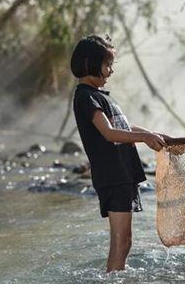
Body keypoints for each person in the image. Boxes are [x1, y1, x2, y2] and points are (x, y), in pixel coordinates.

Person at [70, 34, 167, 272]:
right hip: (113, 176)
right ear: (90, 64)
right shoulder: (86, 96)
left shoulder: (99, 96)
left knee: (125, 242)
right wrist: (144, 138)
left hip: (121, 174)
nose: (110, 71)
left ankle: (116, 276)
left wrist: (152, 134)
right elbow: (109, 133)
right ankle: (113, 276)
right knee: (121, 242)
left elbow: (123, 128)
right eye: (107, 65)